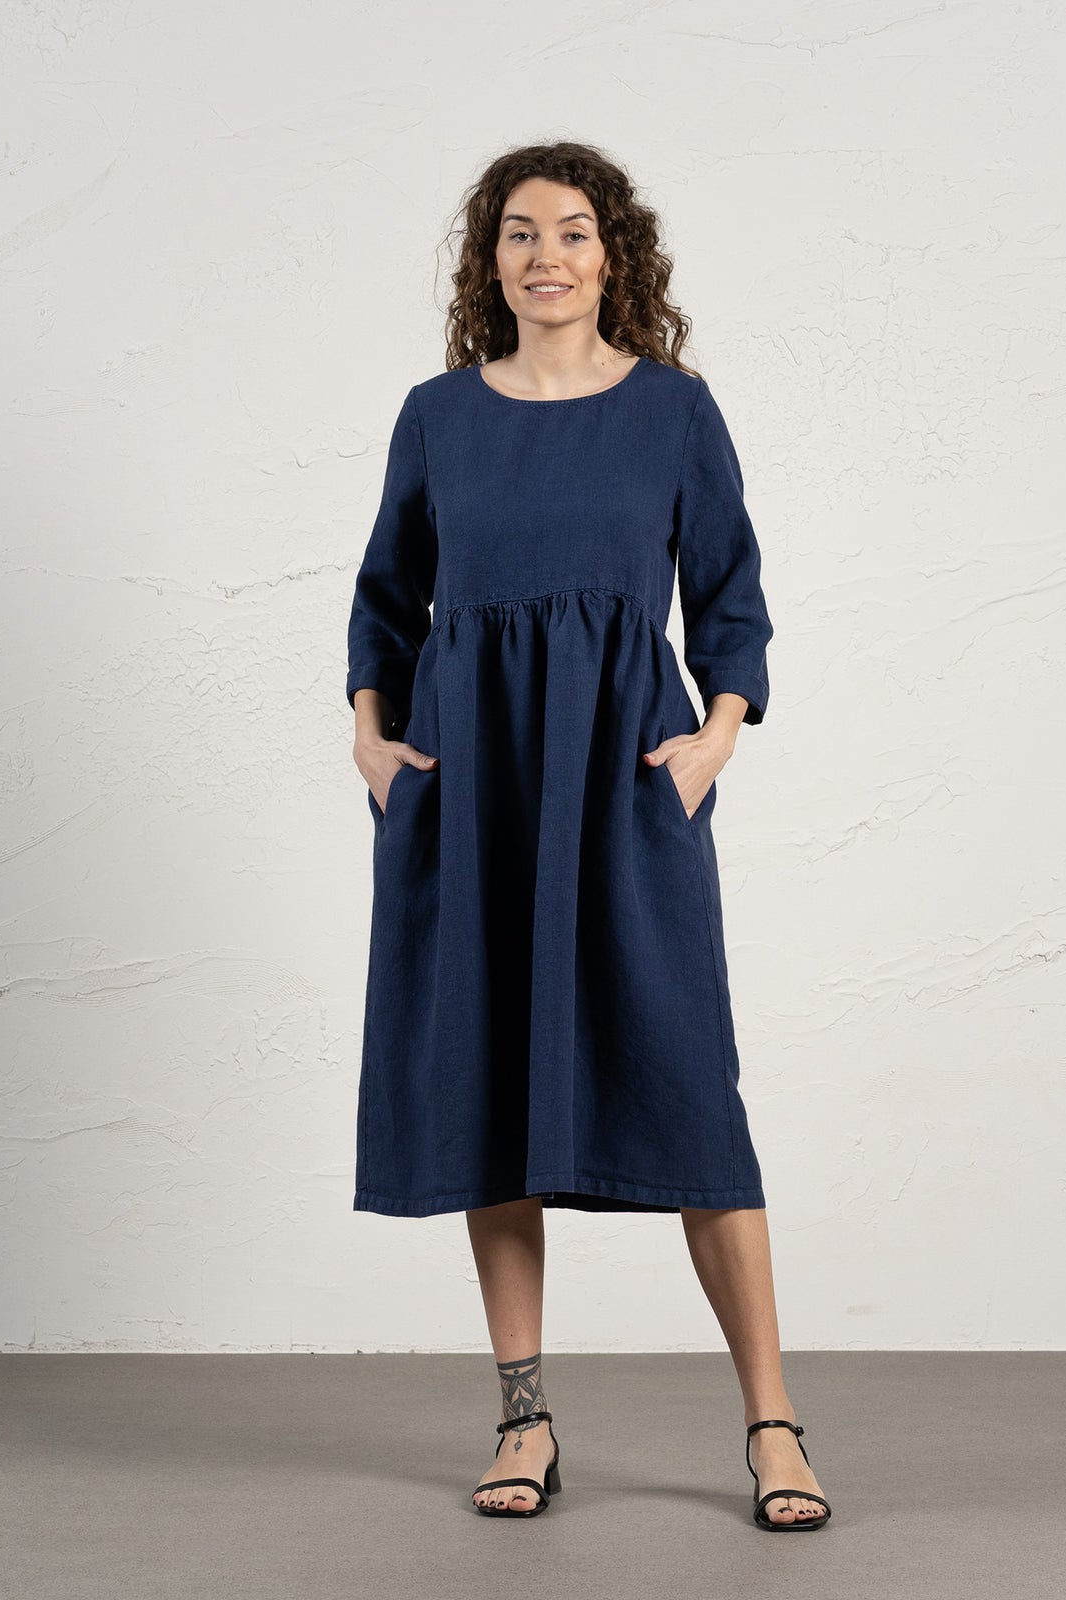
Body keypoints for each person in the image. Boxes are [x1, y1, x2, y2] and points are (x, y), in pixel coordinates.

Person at [345, 141, 830, 1532]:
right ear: (488, 259)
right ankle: (525, 1417)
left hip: (623, 780)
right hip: (474, 789)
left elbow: (729, 589)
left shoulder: (673, 410)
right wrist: (372, 739)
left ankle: (774, 1425)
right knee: (490, 1088)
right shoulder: (438, 416)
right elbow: (386, 595)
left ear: (614, 254)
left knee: (692, 1093)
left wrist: (717, 737)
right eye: (518, 232)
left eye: (571, 231)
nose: (544, 255)